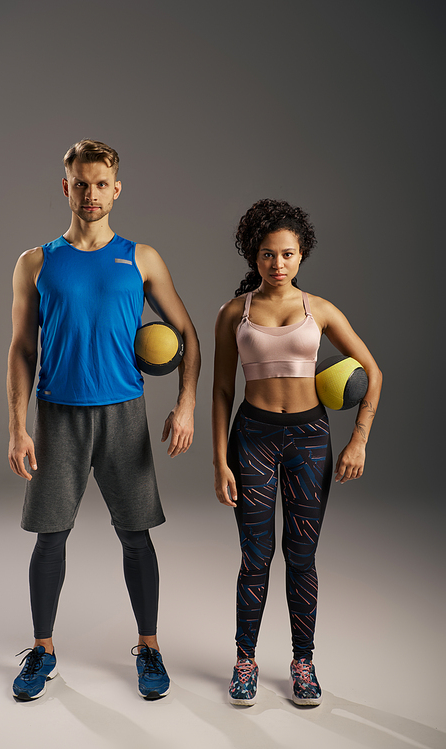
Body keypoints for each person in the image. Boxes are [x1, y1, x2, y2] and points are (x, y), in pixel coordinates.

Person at [7, 139, 200, 702]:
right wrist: (16, 425)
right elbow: (21, 348)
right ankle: (42, 652)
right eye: (80, 183)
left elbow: (187, 334)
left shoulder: (141, 258)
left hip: (123, 413)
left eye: (101, 184)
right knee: (50, 538)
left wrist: (186, 403)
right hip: (58, 415)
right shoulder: (35, 262)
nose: (90, 194)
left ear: (117, 190)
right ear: (65, 187)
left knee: (136, 537)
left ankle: (149, 647)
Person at [212, 199, 382, 707]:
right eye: (267, 254)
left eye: (287, 254)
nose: (278, 264)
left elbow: (373, 372)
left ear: (301, 254)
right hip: (254, 439)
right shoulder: (232, 313)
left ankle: (302, 662)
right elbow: (221, 391)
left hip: (309, 440)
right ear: (253, 256)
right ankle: (245, 661)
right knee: (255, 558)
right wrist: (219, 460)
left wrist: (359, 440)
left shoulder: (320, 310)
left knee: (302, 556)